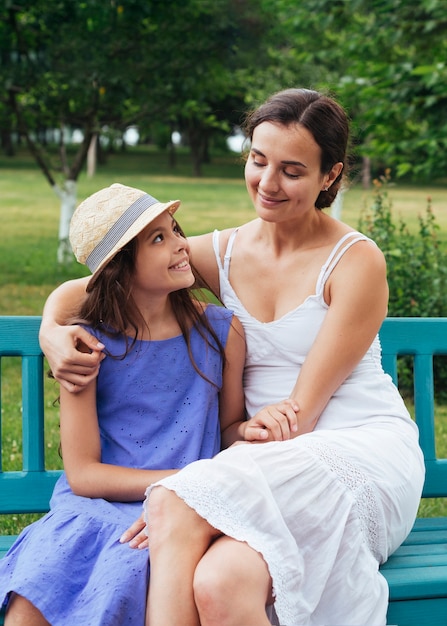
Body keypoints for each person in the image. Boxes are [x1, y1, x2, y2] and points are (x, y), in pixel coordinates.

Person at [38, 89, 425, 626]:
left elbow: (299, 416)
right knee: (220, 584)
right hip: (258, 460)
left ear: (330, 176)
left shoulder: (355, 261)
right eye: (258, 161)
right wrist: (50, 332)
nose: (267, 184)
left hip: (353, 453)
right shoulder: (216, 254)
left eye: (292, 170)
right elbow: (93, 285)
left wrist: (204, 487)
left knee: (172, 505)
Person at [0, 182, 250, 626]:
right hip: (97, 510)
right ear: (120, 269)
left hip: (187, 509)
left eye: (175, 230)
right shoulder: (87, 344)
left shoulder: (221, 333)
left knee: (130, 573)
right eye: (158, 238)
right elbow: (84, 474)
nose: (179, 245)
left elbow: (230, 430)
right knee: (28, 605)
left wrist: (215, 469)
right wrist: (181, 480)